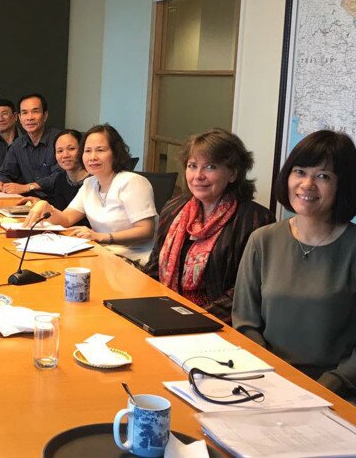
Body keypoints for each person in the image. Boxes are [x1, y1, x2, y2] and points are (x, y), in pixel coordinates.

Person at [233, 129, 356, 398]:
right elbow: (245, 324)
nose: (307, 184)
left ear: (343, 185)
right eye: (299, 171)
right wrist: (272, 376)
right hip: (265, 380)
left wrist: (329, 385)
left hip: (337, 391)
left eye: (323, 176)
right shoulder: (262, 240)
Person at [144, 129, 274, 323]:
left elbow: (246, 290)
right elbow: (154, 267)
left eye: (210, 167)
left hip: (220, 323)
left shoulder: (256, 220)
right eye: (192, 166)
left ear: (233, 174)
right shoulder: (174, 208)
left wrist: (193, 318)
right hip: (166, 311)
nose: (198, 176)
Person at [24, 124, 157, 264]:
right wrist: (46, 207)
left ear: (115, 153)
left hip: (133, 260)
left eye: (100, 150)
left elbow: (146, 230)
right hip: (100, 253)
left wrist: (100, 237)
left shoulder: (132, 182)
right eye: (87, 151)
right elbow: (67, 219)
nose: (92, 157)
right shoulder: (90, 184)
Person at [0, 93, 60, 196]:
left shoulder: (59, 140)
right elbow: (4, 173)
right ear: (19, 118)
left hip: (60, 204)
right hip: (30, 203)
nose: (30, 118)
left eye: (35, 111)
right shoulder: (18, 144)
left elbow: (61, 176)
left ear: (45, 116)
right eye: (25, 113)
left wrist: (27, 187)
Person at [19, 129, 89, 213]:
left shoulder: (93, 182)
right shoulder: (60, 179)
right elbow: (59, 211)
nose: (65, 155)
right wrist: (40, 203)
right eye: (60, 151)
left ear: (82, 150)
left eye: (71, 149)